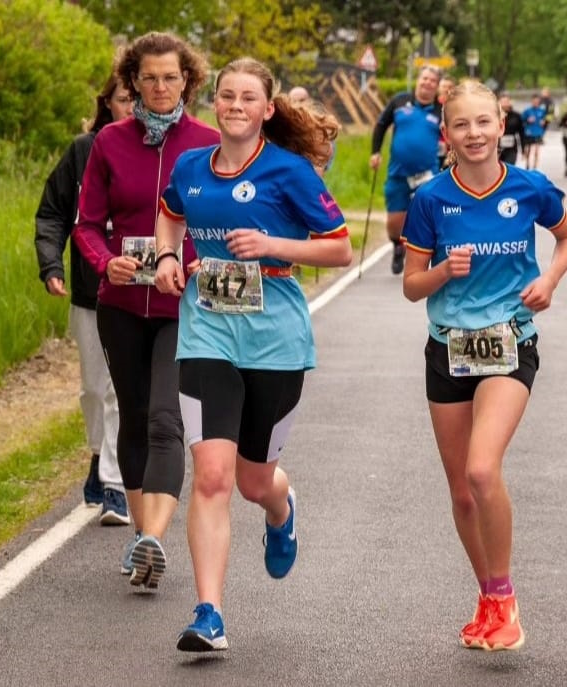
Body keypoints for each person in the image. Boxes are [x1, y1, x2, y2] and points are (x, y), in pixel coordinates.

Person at [153, 57, 352, 652]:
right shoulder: (190, 166)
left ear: (267, 109)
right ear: (214, 103)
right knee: (210, 475)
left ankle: (281, 506)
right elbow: (170, 215)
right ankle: (208, 613)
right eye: (226, 96)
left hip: (275, 340)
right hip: (207, 333)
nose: (236, 105)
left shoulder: (290, 173)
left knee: (251, 481)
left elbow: (339, 249)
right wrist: (168, 258)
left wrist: (270, 244)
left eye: (248, 98)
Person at [401, 79, 567, 651]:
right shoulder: (430, 199)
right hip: (447, 348)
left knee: (483, 470)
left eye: (483, 122)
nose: (474, 134)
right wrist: (442, 273)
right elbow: (411, 286)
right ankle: (487, 595)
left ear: (502, 126)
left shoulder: (529, 189)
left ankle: (504, 599)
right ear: (446, 134)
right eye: (461, 125)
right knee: (460, 492)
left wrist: (548, 282)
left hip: (510, 342)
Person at [73, 31, 220, 588]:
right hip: (121, 304)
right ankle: (142, 537)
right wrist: (103, 260)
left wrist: (206, 261)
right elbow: (86, 224)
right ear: (132, 81)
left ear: (188, 80)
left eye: (171, 77)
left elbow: (222, 221)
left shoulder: (207, 142)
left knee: (165, 417)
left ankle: (154, 534)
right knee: (133, 417)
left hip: (184, 304)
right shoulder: (108, 142)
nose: (161, 87)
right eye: (150, 77)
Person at [34, 69, 134, 526]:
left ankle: (114, 486)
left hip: (136, 297)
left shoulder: (156, 155)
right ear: (107, 104)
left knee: (117, 392)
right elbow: (53, 213)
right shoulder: (83, 151)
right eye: (123, 98)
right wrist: (51, 265)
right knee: (94, 390)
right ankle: (99, 456)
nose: (131, 106)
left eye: (137, 98)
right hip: (88, 294)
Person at [369, 65, 443, 274]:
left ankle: (430, 256)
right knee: (394, 223)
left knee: (430, 216)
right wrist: (375, 152)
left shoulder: (440, 111)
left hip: (428, 174)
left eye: (432, 81)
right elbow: (381, 124)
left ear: (436, 87)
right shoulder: (400, 101)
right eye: (425, 78)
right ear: (418, 80)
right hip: (398, 173)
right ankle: (397, 246)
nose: (427, 83)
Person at [520, 93, 547, 170]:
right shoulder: (527, 111)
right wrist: (528, 120)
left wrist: (543, 122)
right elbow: (522, 121)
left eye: (537, 101)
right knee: (528, 151)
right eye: (534, 101)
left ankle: (535, 167)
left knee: (536, 151)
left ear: (539, 102)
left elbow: (545, 120)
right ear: (532, 101)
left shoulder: (542, 111)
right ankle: (527, 164)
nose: (535, 103)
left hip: (538, 132)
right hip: (529, 133)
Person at [437, 74, 457, 170]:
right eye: (444, 86)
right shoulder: (433, 106)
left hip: (452, 151)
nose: (446, 89)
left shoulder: (458, 107)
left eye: (450, 87)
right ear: (439, 88)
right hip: (434, 150)